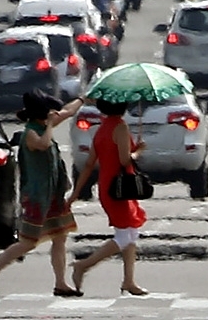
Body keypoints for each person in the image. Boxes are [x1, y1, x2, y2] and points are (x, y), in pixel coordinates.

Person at [0, 89, 87, 298]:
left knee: (60, 236)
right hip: (37, 197)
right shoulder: (31, 132)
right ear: (41, 114)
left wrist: (82, 99)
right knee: (28, 241)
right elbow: (43, 144)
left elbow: (68, 111)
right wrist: (50, 126)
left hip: (53, 194)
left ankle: (60, 283)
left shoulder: (45, 125)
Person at [67, 98, 148, 296]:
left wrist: (75, 193)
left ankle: (129, 280)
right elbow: (125, 159)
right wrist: (138, 152)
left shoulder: (101, 129)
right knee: (124, 236)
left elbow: (88, 165)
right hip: (120, 187)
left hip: (109, 186)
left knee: (131, 233)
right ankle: (83, 265)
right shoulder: (120, 127)